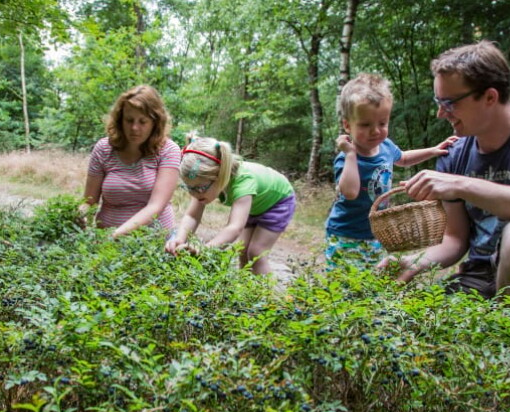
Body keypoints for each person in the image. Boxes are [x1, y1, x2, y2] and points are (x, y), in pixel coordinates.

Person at [378, 40, 510, 329]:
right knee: (419, 329)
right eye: (438, 103)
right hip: (478, 279)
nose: (441, 113)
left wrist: (462, 185)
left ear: (489, 97)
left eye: (449, 103)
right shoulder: (454, 155)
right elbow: (455, 239)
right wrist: (416, 262)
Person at [325, 73, 458, 267]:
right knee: (345, 285)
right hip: (345, 234)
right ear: (347, 125)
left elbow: (403, 158)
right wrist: (351, 155)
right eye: (365, 125)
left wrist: (434, 150)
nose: (375, 131)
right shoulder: (346, 158)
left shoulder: (386, 146)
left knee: (373, 281)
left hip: (377, 233)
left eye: (382, 123)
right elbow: (351, 192)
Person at [165, 135, 296, 275]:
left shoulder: (243, 183)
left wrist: (206, 248)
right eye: (189, 187)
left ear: (220, 176)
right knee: (242, 250)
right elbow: (192, 216)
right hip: (254, 204)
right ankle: (246, 290)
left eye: (200, 188)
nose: (194, 194)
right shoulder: (202, 184)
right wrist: (179, 239)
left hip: (278, 202)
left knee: (256, 253)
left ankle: (266, 295)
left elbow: (234, 227)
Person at [82, 85, 180, 238]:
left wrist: (116, 235)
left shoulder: (168, 150)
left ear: (155, 122)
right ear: (120, 120)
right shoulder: (103, 149)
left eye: (142, 122)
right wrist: (78, 216)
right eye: (129, 120)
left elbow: (156, 206)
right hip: (106, 246)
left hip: (153, 244)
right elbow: (89, 201)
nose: (134, 127)